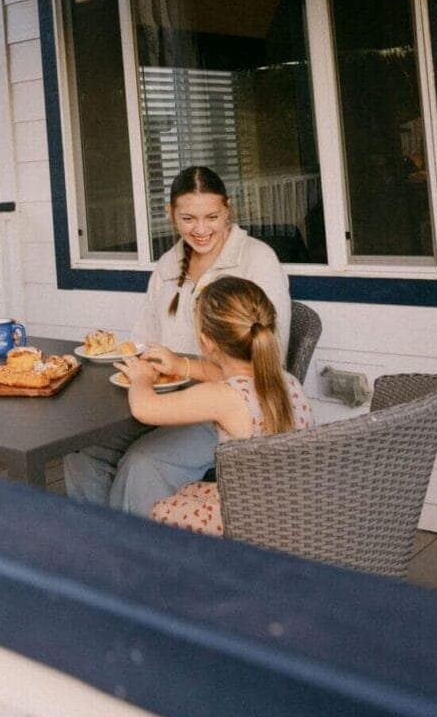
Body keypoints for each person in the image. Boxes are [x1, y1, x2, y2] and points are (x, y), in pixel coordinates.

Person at [63, 165, 292, 516]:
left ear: (228, 210)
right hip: (165, 399)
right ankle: (96, 538)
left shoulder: (256, 259)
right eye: (188, 218)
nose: (200, 230)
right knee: (82, 451)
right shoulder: (168, 265)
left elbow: (266, 362)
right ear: (170, 214)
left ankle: (132, 547)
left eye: (212, 217)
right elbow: (144, 341)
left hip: (222, 411)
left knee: (143, 464)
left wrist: (184, 366)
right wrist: (140, 365)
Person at [117, 276, 313, 534]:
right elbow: (226, 375)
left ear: (206, 342)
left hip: (248, 520)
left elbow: (145, 409)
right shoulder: (285, 381)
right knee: (189, 491)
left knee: (160, 509)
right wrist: (181, 365)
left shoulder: (222, 397)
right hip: (291, 506)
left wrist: (140, 379)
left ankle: (142, 552)